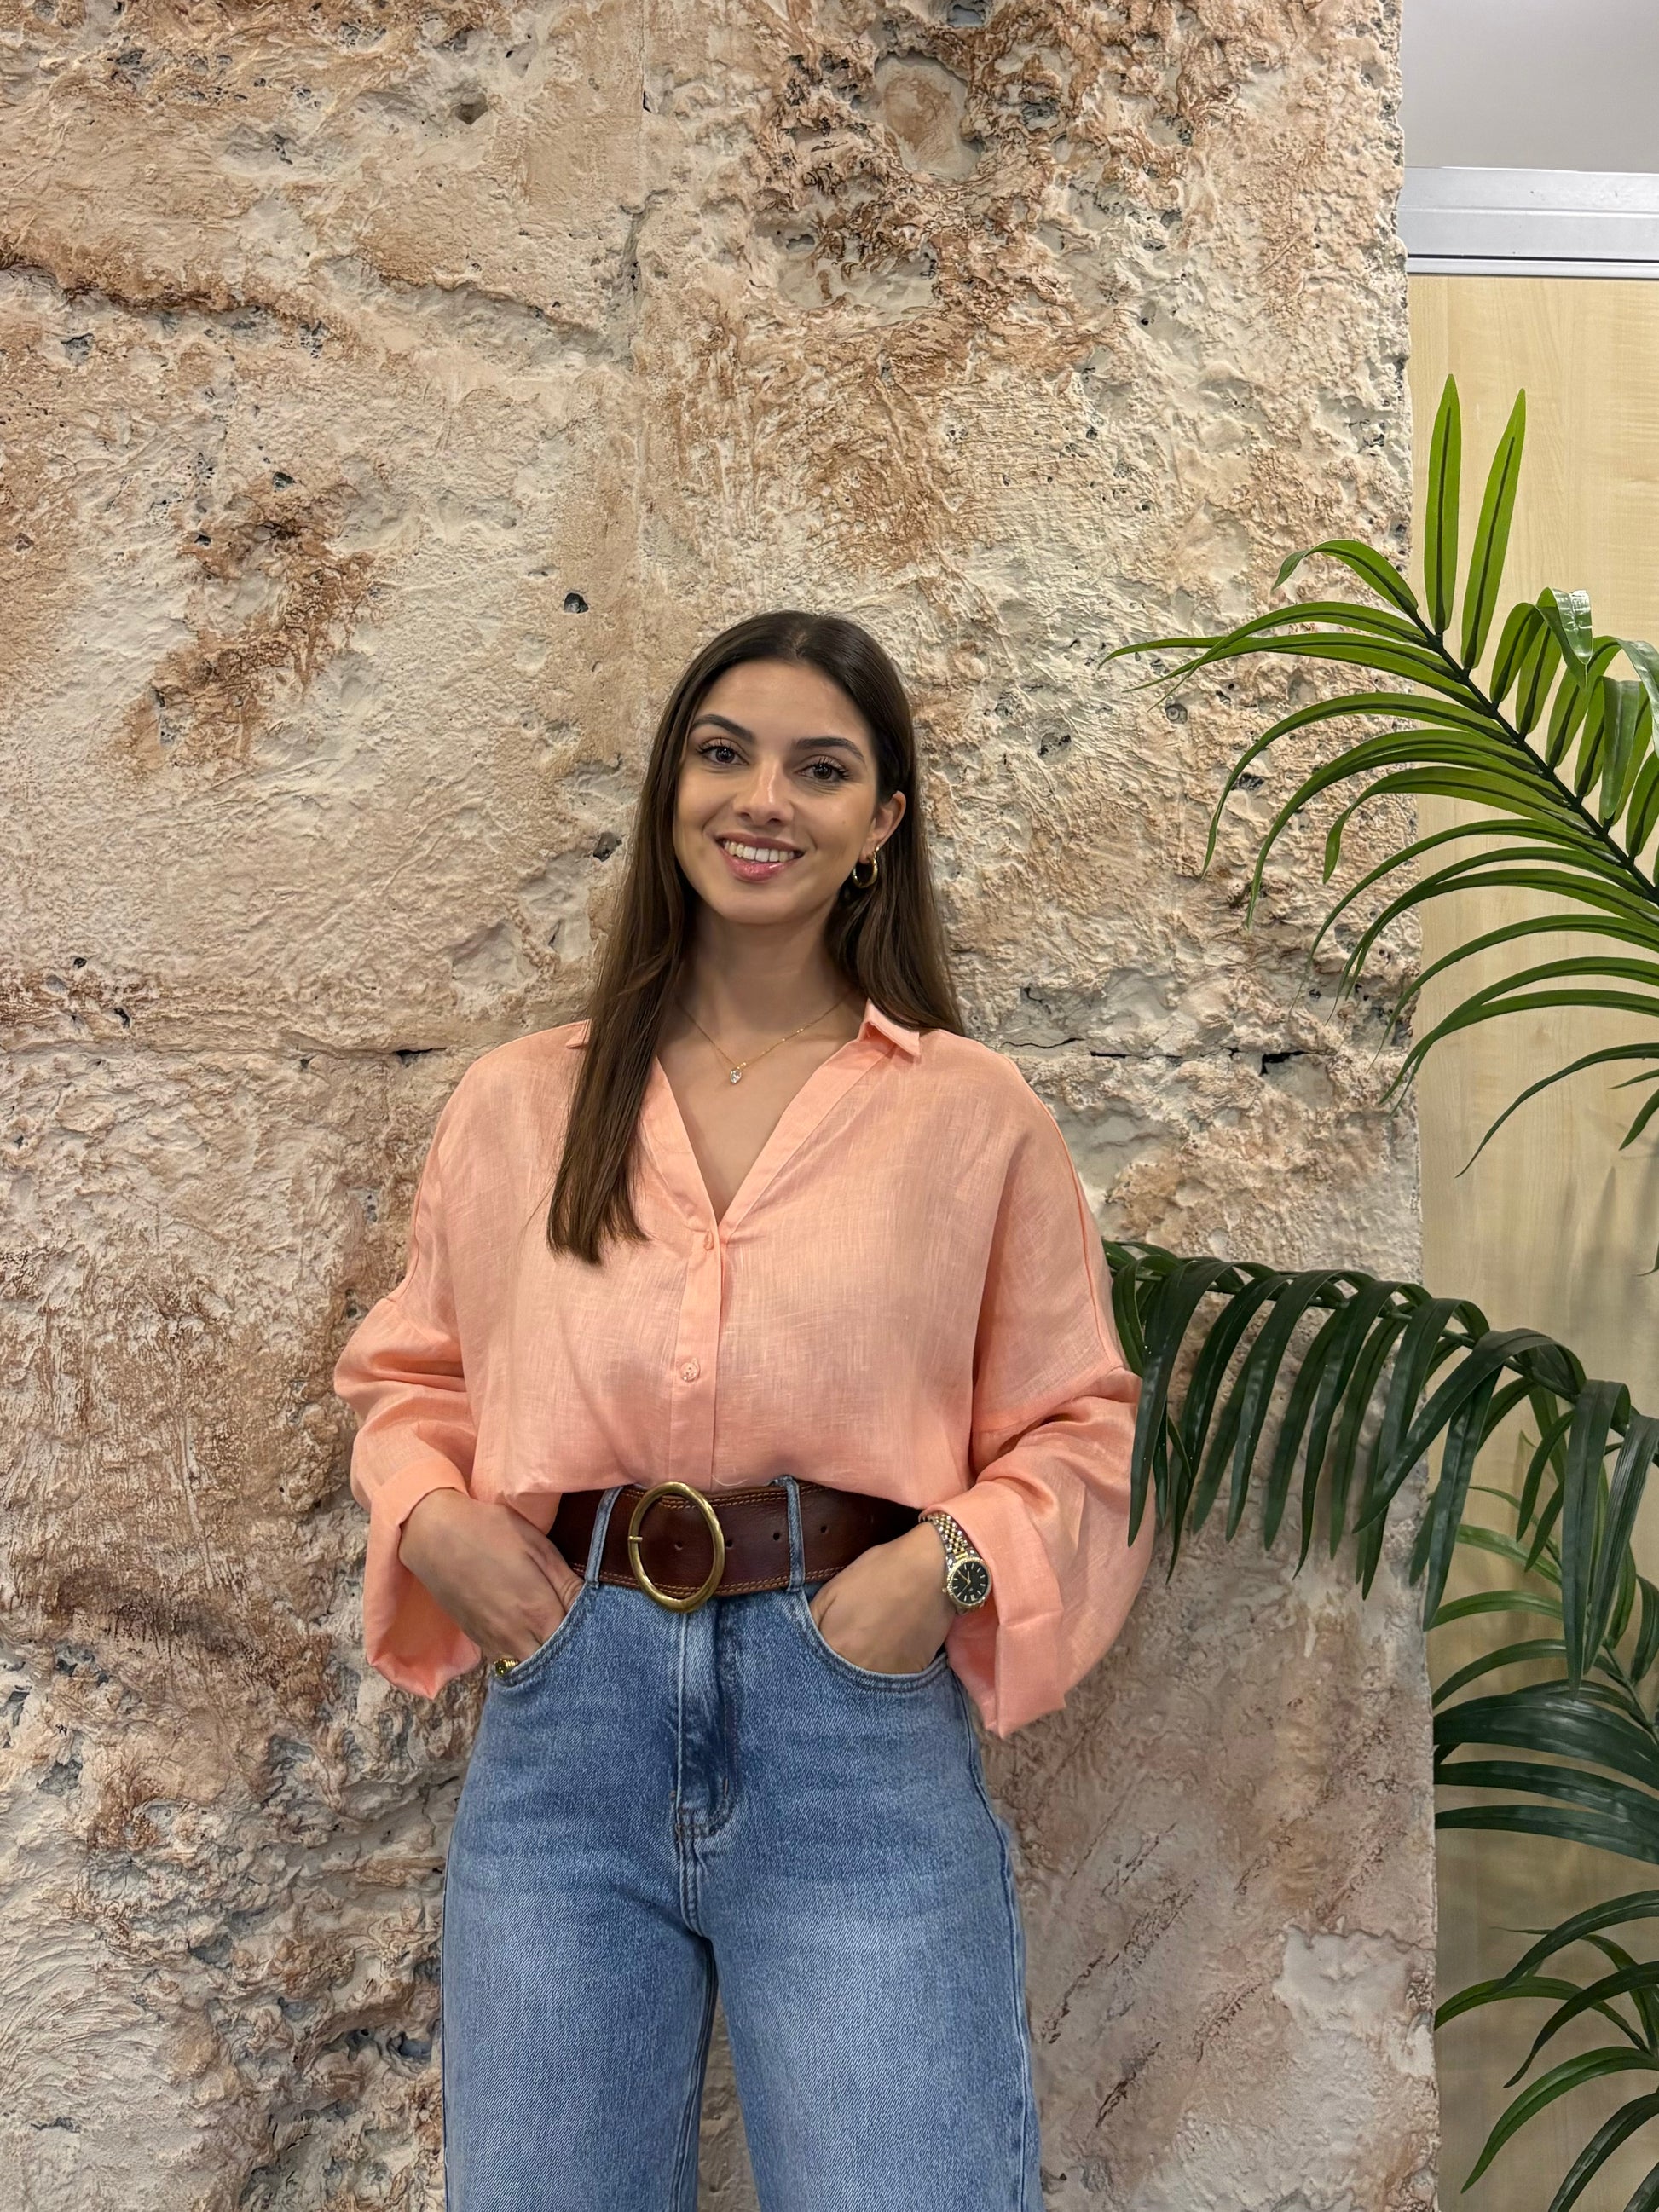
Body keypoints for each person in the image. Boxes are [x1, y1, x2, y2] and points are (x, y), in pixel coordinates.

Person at [333, 609, 1155, 2212]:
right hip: (567, 1722)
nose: (761, 799)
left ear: (881, 822)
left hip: (848, 1726)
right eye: (723, 754)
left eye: (818, 769)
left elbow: (1081, 1423)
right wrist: (434, 1522)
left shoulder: (968, 1114)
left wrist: (934, 1574)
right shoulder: (522, 1102)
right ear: (671, 786)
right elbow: (410, 1376)